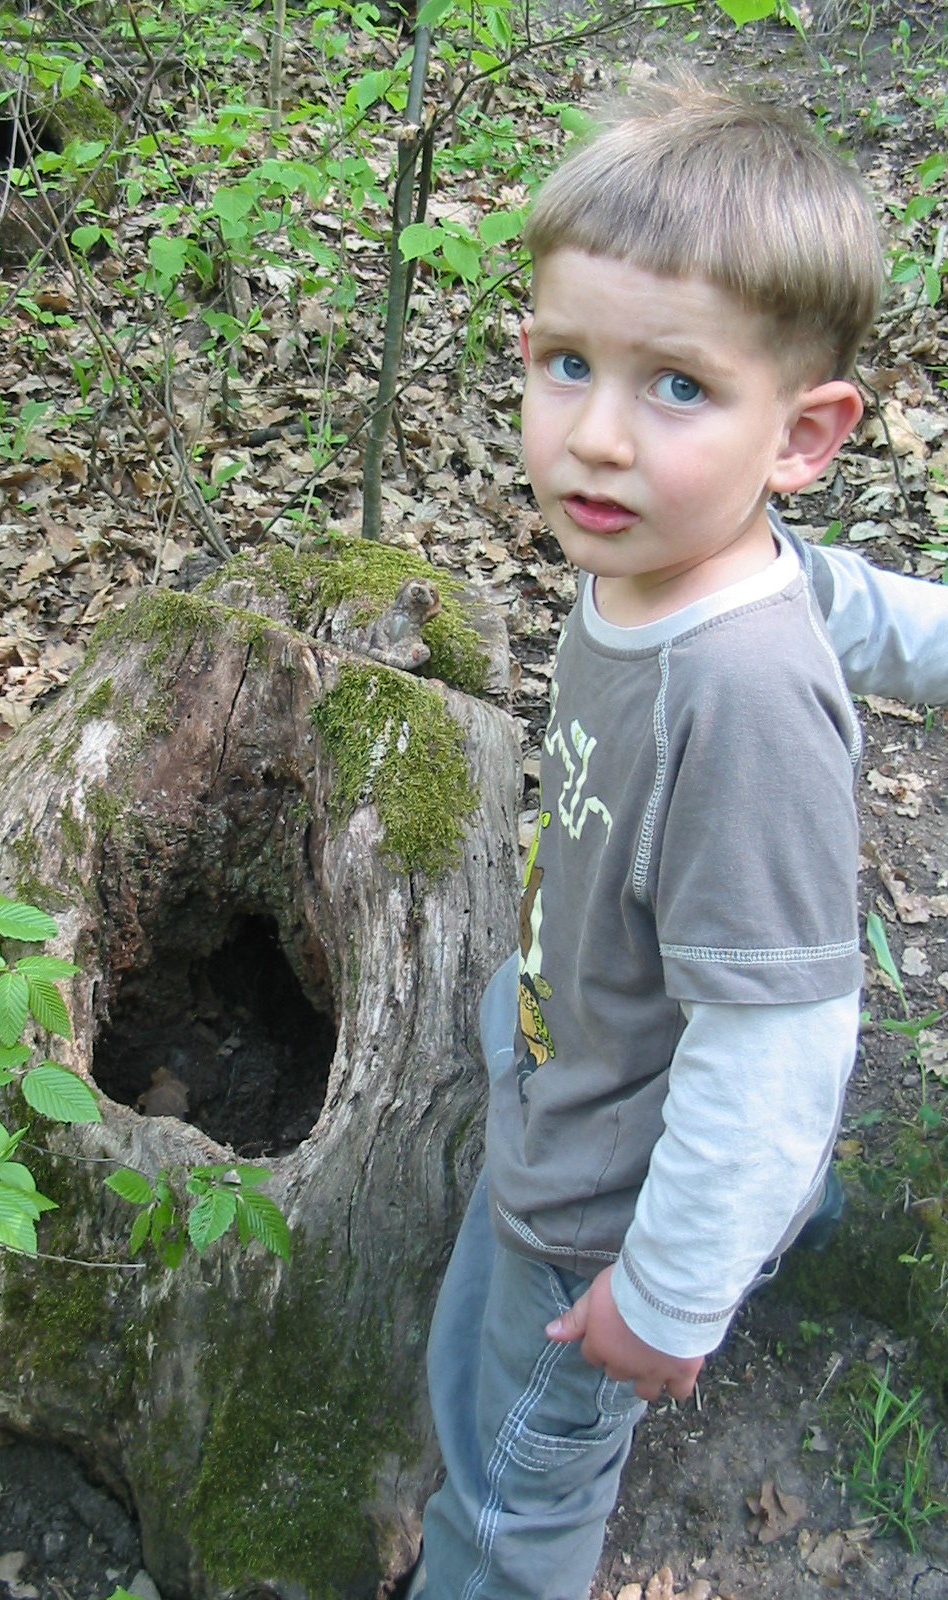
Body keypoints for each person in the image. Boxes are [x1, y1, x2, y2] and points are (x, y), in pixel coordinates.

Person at [414, 80, 948, 1600]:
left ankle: (739, 1242)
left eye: (677, 388)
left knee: (508, 1477)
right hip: (586, 1044)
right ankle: (781, 1217)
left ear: (809, 431)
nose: (594, 439)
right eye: (567, 362)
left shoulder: (746, 707)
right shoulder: (693, 555)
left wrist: (661, 1295)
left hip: (600, 1208)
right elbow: (863, 606)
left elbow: (778, 1040)